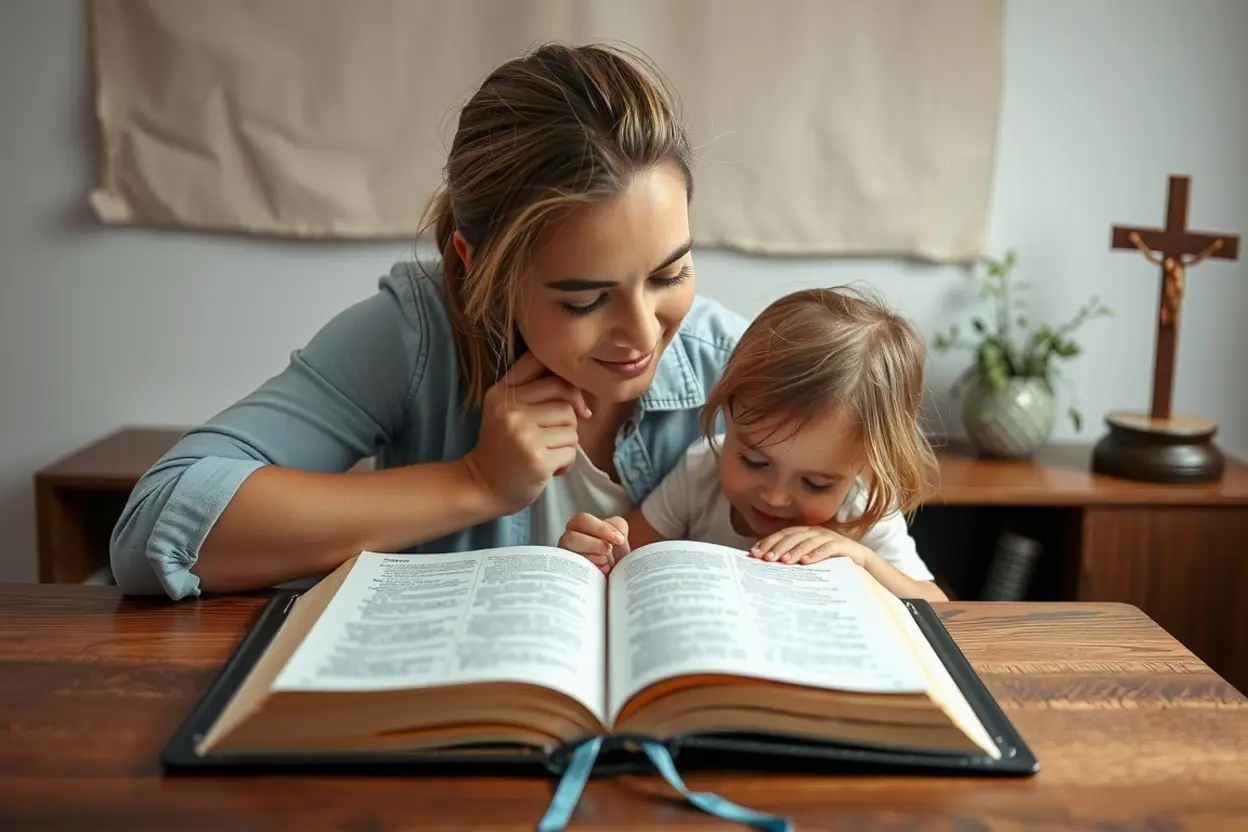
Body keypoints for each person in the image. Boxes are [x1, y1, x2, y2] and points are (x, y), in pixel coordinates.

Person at [109, 42, 749, 600]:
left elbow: (848, 527)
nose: (642, 335)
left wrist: (853, 557)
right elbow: (153, 525)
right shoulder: (413, 337)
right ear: (479, 266)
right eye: (583, 300)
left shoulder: (735, 362)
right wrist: (475, 483)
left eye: (670, 275)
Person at [559, 286, 949, 602]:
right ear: (726, 412)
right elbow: (631, 554)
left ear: (866, 465)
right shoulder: (701, 473)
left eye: (816, 484)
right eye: (754, 461)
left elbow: (935, 604)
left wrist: (864, 561)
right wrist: (602, 551)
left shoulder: (861, 511)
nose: (776, 497)